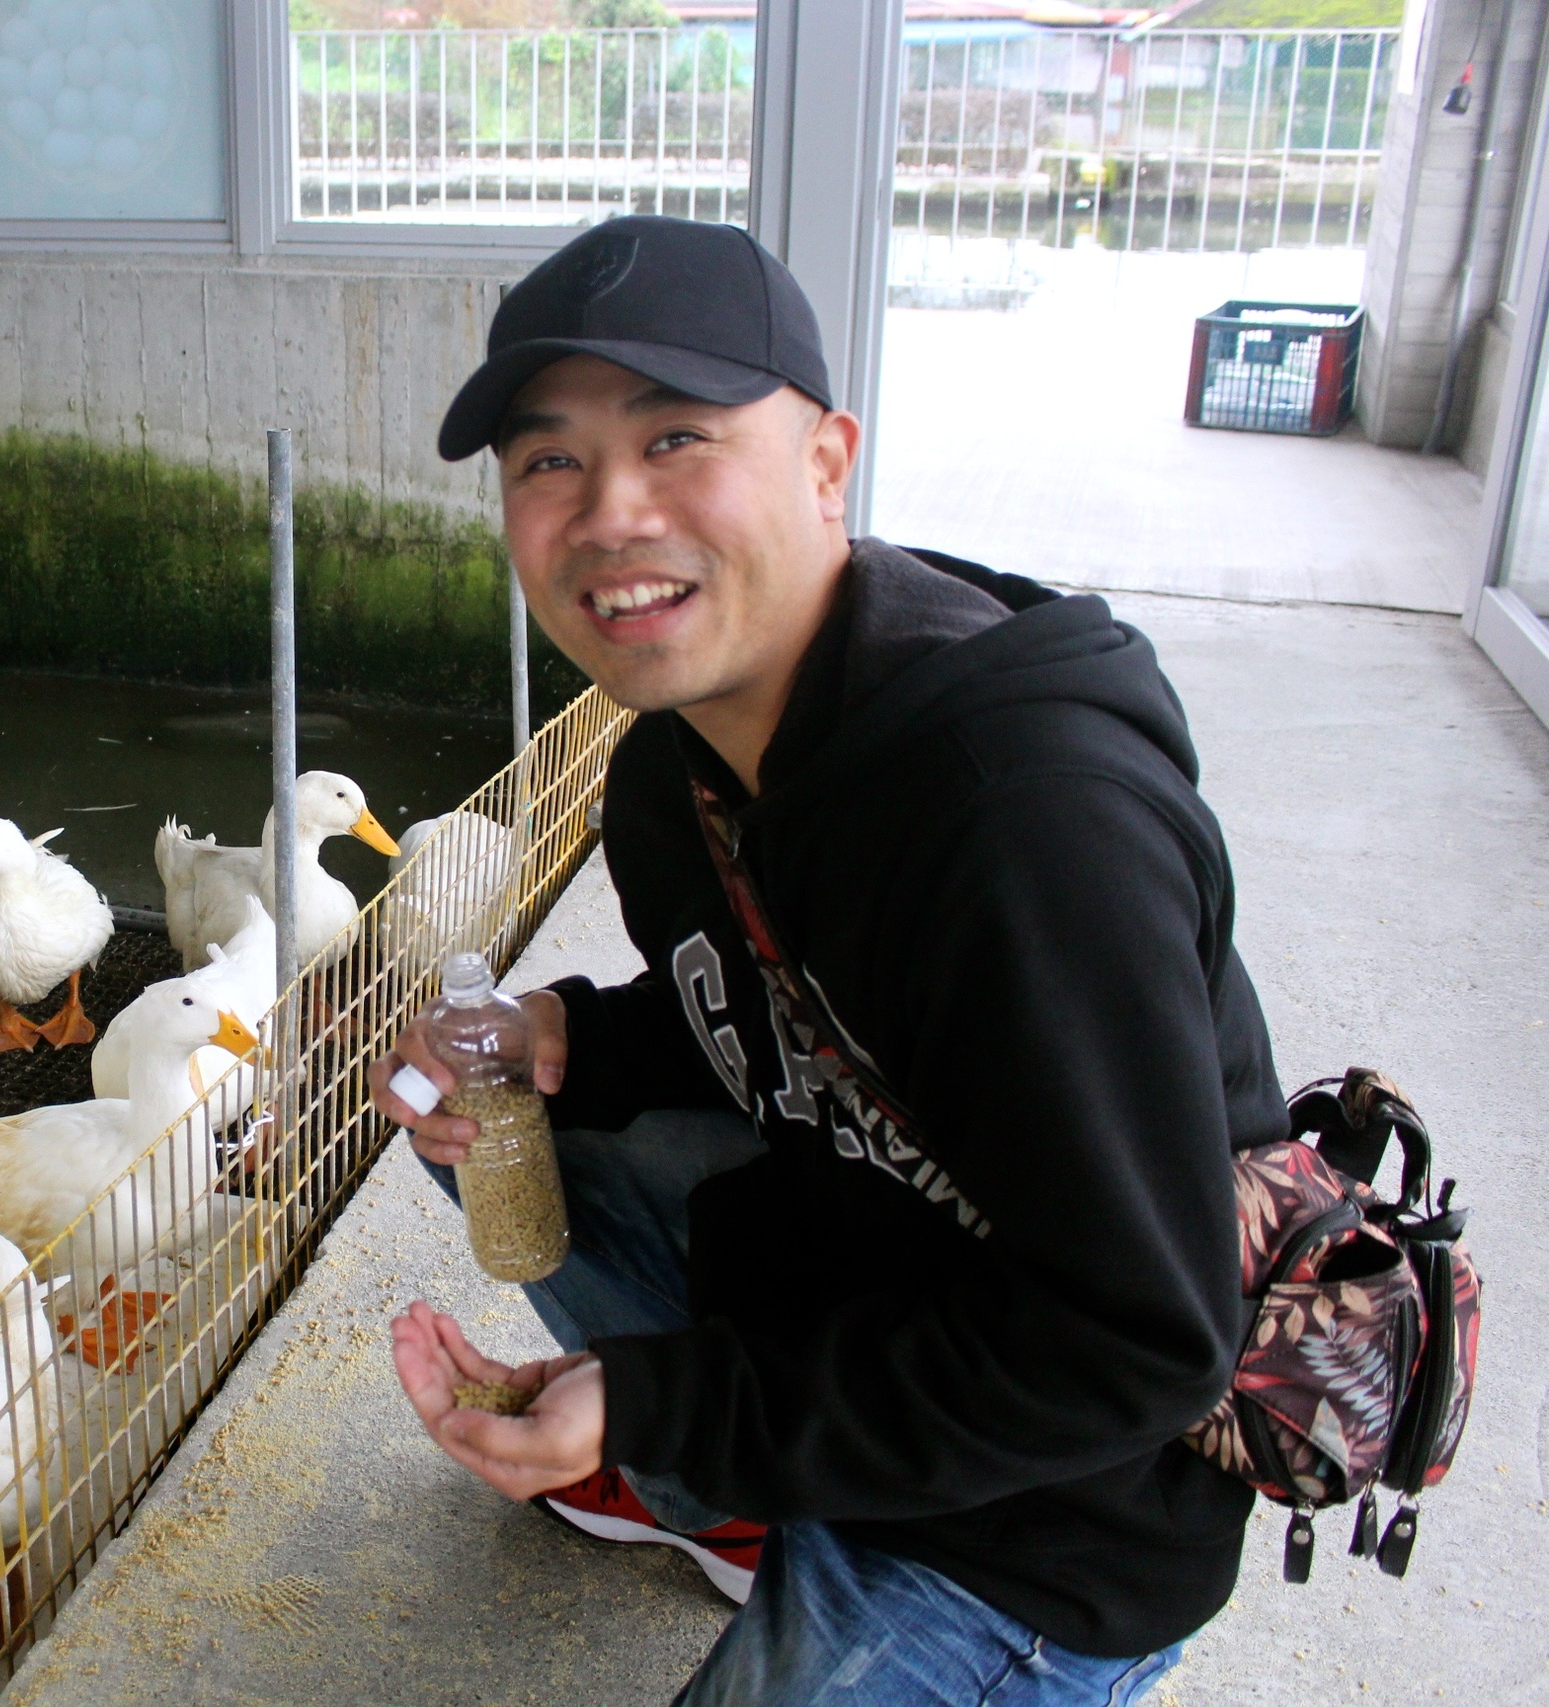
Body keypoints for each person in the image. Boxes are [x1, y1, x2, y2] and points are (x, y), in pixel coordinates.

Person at [374, 216, 1281, 1705]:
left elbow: (1137, 1344)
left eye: (677, 438)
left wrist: (668, 1399)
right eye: (548, 460)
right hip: (874, 1278)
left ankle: (766, 1492)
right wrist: (563, 1040)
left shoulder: (1025, 824)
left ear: (824, 461)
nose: (609, 511)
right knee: (488, 1123)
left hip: (1053, 1514)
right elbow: (783, 1007)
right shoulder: (675, 769)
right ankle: (739, 1496)